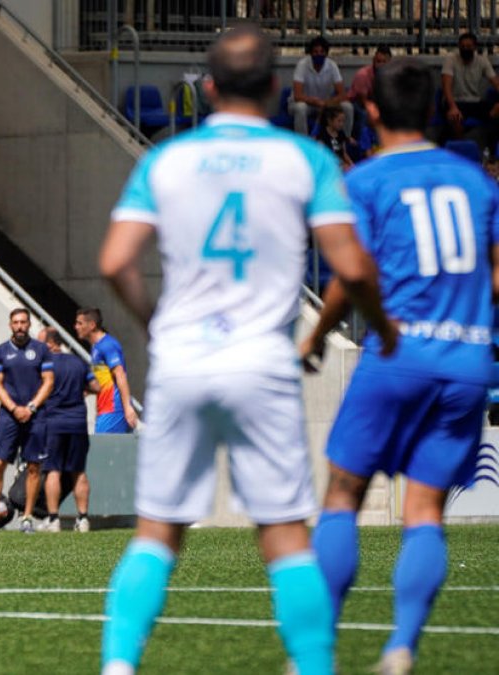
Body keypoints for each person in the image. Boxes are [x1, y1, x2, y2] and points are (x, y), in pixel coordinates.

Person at [96, 25, 395, 675]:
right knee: (285, 536)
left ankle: (118, 666)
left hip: (181, 358)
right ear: (273, 89)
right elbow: (353, 266)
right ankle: (314, 666)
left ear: (207, 88)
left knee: (157, 533)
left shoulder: (166, 160)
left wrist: (154, 322)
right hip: (263, 359)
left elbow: (115, 260)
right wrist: (379, 328)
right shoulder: (304, 160)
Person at [301, 58, 499, 675]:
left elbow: (353, 274)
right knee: (425, 509)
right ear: (436, 111)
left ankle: (317, 653)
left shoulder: (364, 181)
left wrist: (314, 335)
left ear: (374, 112)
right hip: (468, 358)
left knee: (343, 492)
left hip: (399, 351)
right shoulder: (476, 181)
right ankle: (401, 649)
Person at [0, 307, 53, 535]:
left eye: (24, 322)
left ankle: (27, 518)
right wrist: (14, 408)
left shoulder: (41, 350)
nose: (20, 326)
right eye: (16, 322)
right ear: (10, 325)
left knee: (34, 467)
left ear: (29, 324)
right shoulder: (1, 351)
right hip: (8, 416)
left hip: (36, 416)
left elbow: (48, 381)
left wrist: (31, 407)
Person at [40, 328, 100, 533]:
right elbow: (97, 386)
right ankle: (83, 519)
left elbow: (38, 390)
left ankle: (54, 519)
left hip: (54, 422)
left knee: (53, 470)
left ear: (50, 344)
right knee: (78, 471)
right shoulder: (78, 362)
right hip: (77, 422)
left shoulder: (45, 364)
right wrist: (80, 391)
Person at [74, 308, 137, 433]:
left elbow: (120, 375)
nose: (76, 327)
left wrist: (127, 407)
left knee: (103, 451)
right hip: (105, 410)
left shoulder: (108, 345)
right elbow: (102, 381)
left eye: (80, 323)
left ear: (92, 325)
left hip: (114, 409)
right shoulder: (96, 347)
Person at [441, 32, 499, 148]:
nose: (465, 49)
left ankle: (491, 152)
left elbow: (496, 83)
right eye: (462, 46)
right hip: (455, 101)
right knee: (455, 118)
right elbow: (446, 86)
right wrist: (452, 107)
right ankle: (461, 151)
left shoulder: (482, 61)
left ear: (475, 47)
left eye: (468, 46)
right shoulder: (451, 59)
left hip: (474, 101)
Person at [290, 36, 354, 136]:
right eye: (315, 52)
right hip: (306, 103)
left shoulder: (332, 66)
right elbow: (297, 96)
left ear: (326, 53)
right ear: (310, 53)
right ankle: (304, 142)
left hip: (325, 104)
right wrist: (314, 101)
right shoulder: (302, 65)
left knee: (347, 106)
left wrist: (327, 103)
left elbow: (342, 94)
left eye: (322, 52)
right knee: (300, 108)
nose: (319, 54)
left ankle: (345, 140)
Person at [315, 105, 354, 170]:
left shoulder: (341, 134)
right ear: (329, 120)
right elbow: (321, 155)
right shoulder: (322, 134)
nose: (341, 124)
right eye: (339, 121)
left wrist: (351, 164)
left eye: (343, 121)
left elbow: (344, 153)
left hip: (340, 163)